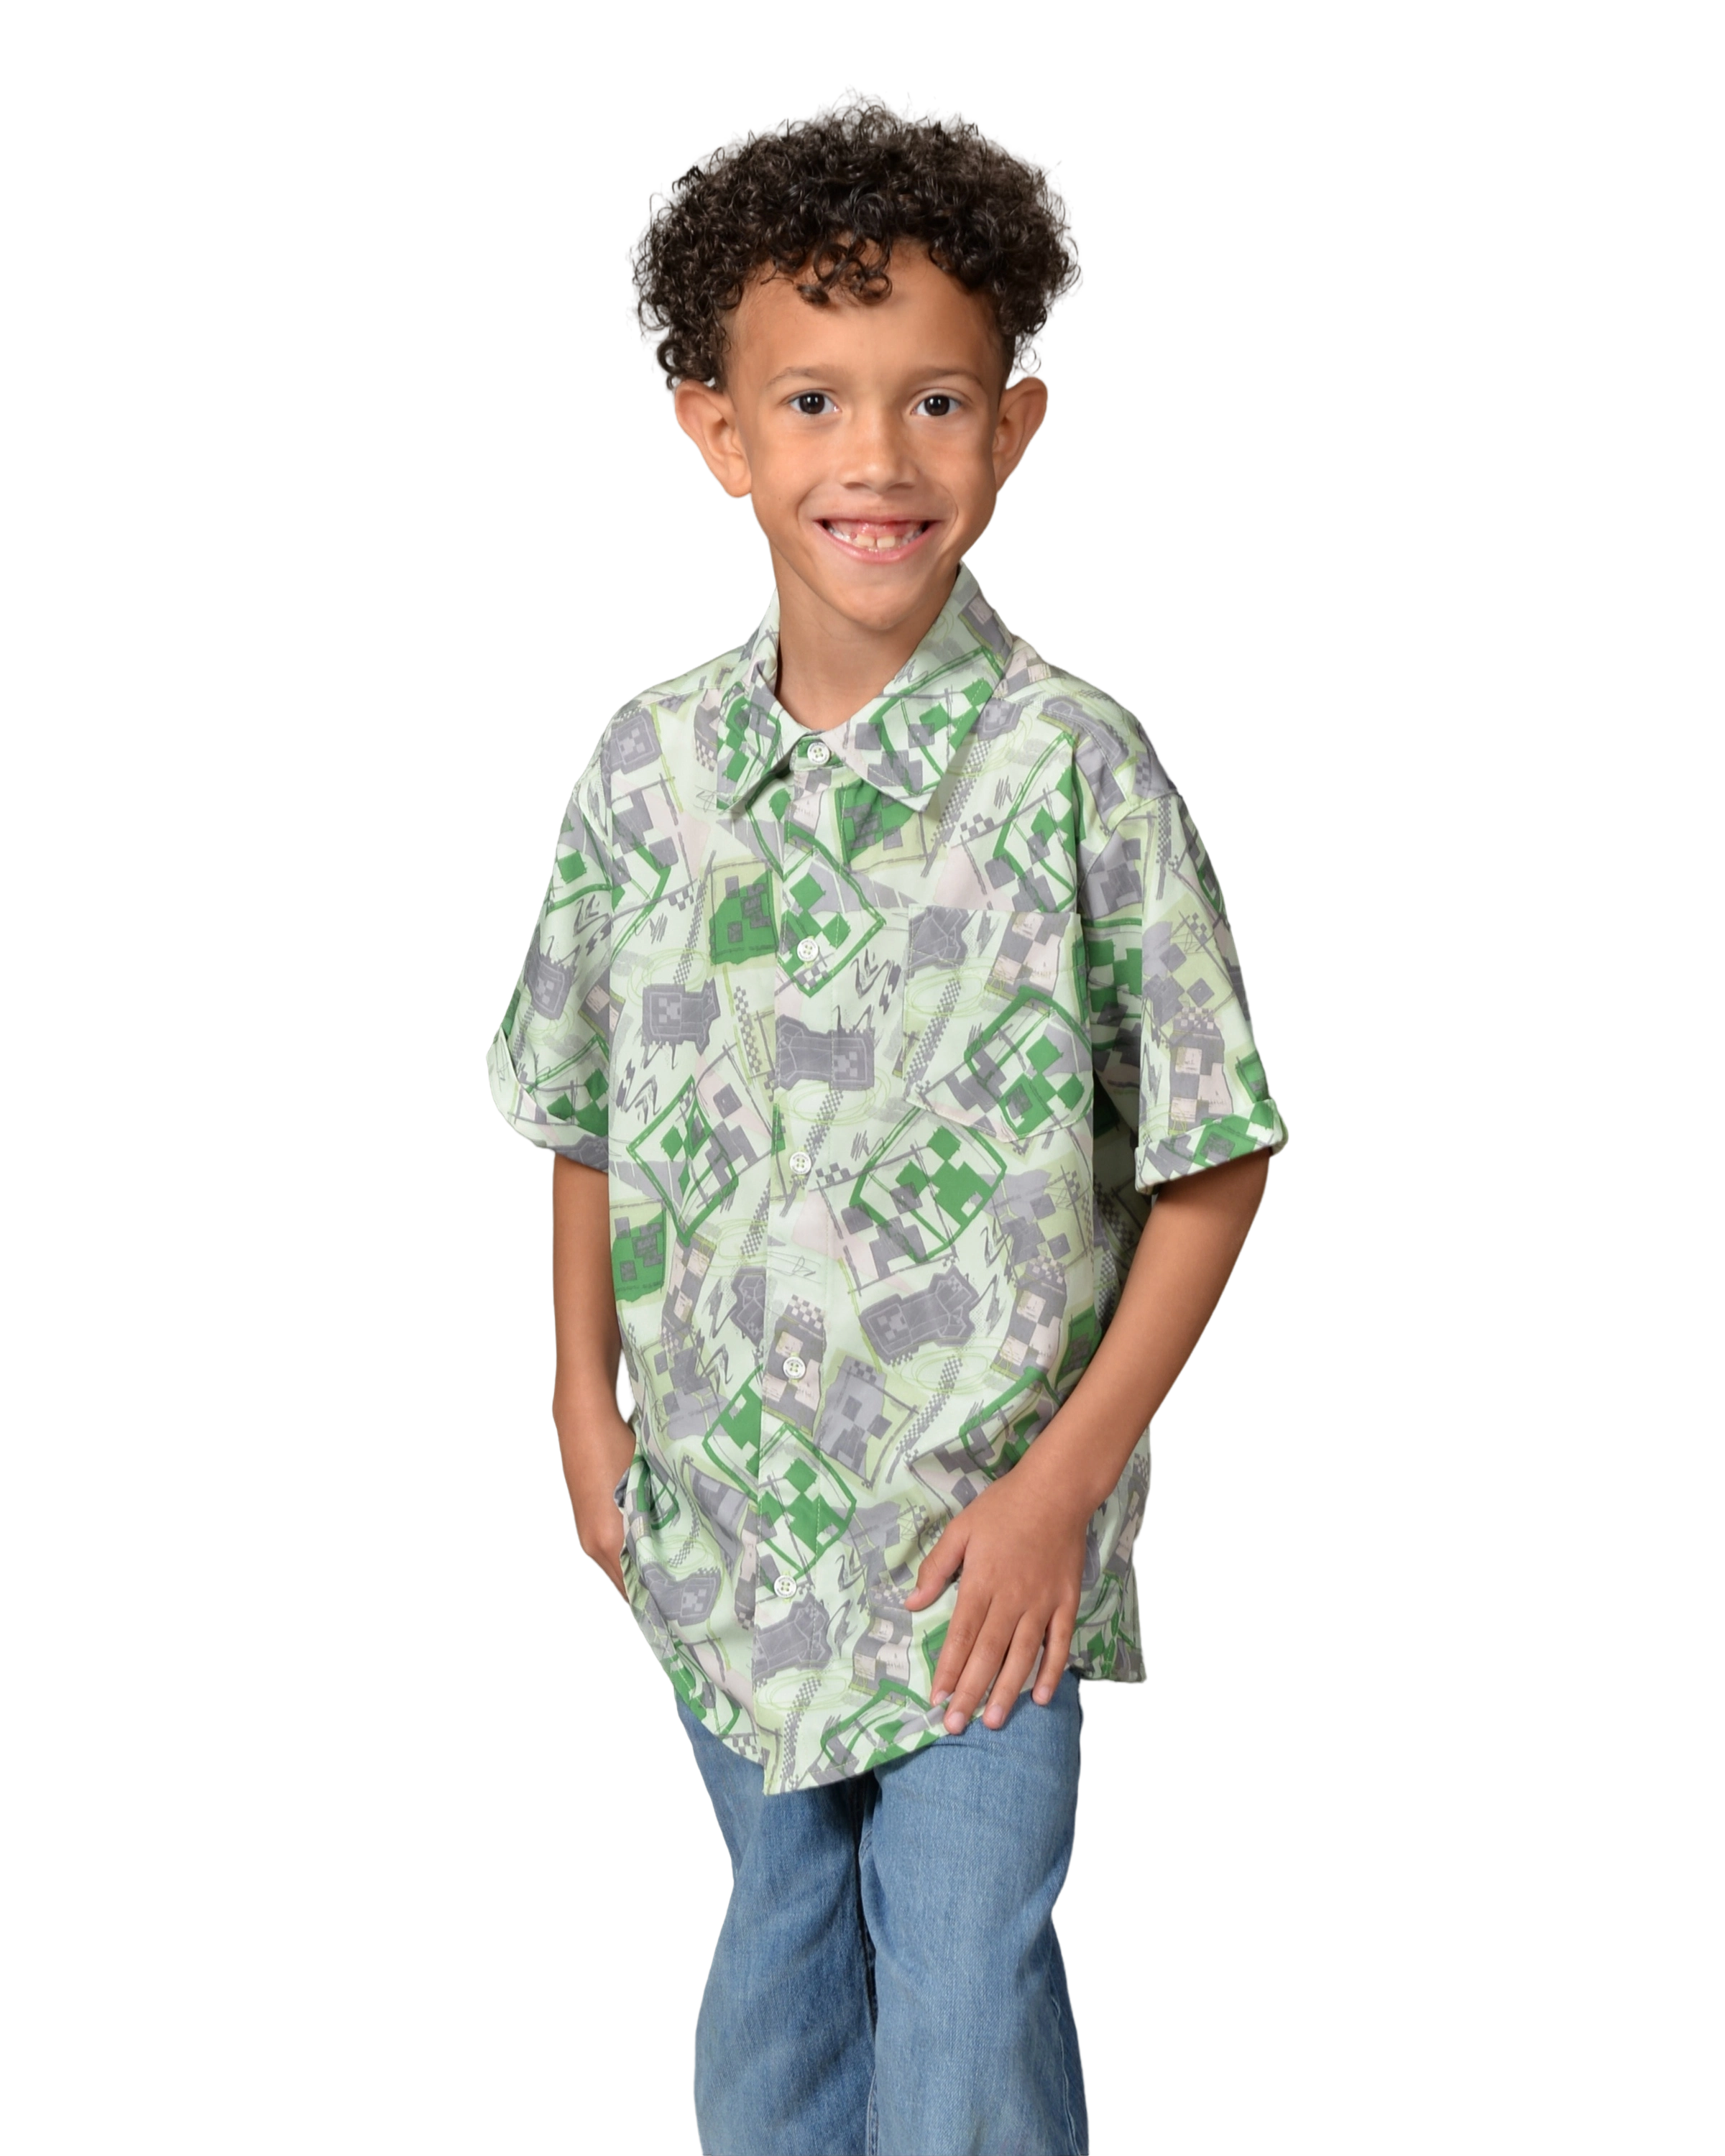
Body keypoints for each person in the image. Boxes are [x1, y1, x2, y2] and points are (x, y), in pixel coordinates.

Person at [483, 83, 1292, 2156]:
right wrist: (583, 1404)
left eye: (934, 403)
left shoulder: (1076, 772)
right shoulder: (646, 772)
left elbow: (1213, 1150)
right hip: (726, 1529)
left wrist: (1062, 1490)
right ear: (718, 432)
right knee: (780, 1966)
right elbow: (579, 1103)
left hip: (977, 1546)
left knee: (965, 1976)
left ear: (1016, 424)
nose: (878, 459)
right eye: (815, 402)